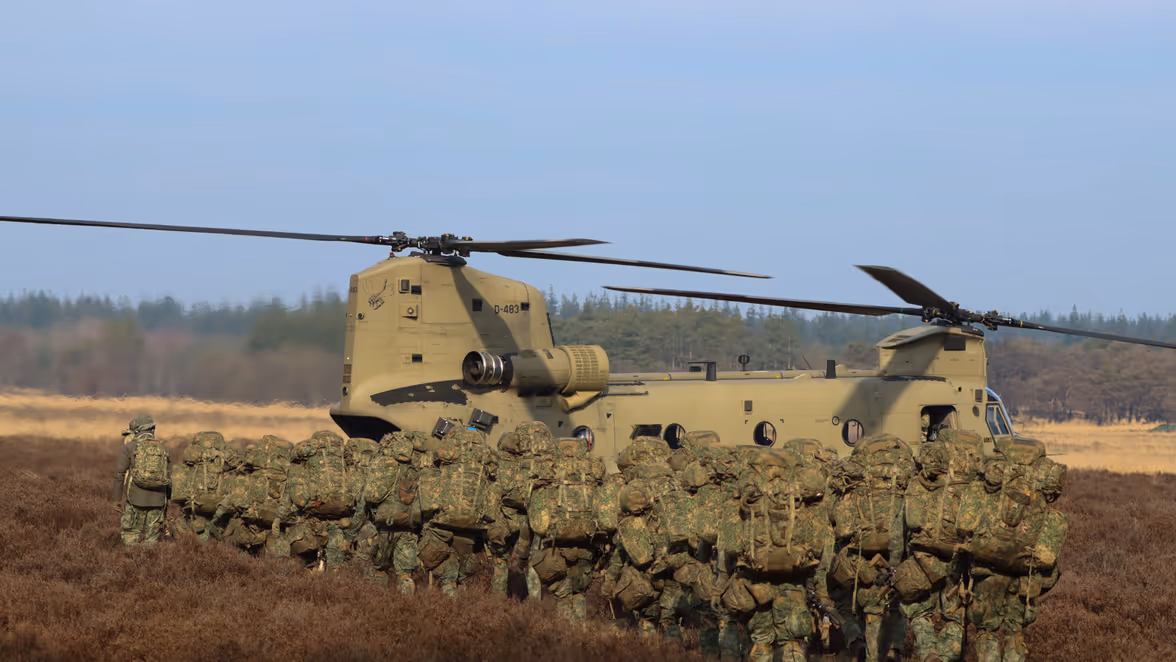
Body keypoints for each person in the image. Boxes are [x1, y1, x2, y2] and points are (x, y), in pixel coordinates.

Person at [111, 415, 172, 546]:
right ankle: (149, 562)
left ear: (136, 431)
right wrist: (167, 500)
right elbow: (170, 477)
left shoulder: (130, 447)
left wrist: (116, 499)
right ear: (152, 429)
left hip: (135, 500)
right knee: (152, 542)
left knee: (130, 539)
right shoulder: (165, 448)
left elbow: (119, 474)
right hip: (158, 501)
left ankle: (133, 563)